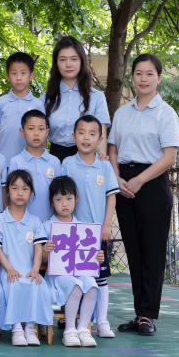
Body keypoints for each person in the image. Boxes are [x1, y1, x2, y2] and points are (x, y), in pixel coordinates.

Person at [108, 54, 179, 336]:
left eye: (149, 74)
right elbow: (112, 147)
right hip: (123, 183)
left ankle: (149, 315)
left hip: (150, 185)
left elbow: (169, 156)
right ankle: (139, 313)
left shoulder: (166, 113)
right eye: (138, 73)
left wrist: (137, 180)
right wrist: (117, 177)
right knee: (134, 251)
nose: (143, 78)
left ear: (158, 78)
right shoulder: (123, 112)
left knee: (152, 251)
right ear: (132, 77)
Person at [62, 114, 119, 338]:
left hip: (96, 234)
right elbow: (61, 195)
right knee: (76, 279)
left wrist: (107, 225)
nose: (86, 138)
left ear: (100, 138)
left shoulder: (104, 166)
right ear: (74, 136)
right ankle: (74, 321)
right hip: (72, 235)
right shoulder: (66, 163)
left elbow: (111, 198)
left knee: (100, 278)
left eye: (92, 133)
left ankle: (102, 321)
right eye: (82, 133)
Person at [0, 170, 53, 346]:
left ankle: (30, 328)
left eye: (25, 189)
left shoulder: (34, 221)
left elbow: (38, 248)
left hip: (29, 268)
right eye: (15, 188)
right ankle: (17, 328)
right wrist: (9, 268)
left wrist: (35, 269)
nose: (19, 193)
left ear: (31, 193)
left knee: (35, 283)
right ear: (7, 191)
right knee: (14, 282)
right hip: (7, 270)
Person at [42, 176, 104, 348]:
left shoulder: (84, 228)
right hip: (57, 276)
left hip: (80, 272)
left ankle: (83, 328)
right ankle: (69, 329)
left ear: (76, 199)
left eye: (69, 198)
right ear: (51, 201)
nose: (64, 204)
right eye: (59, 199)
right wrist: (45, 251)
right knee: (74, 284)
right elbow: (41, 259)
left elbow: (91, 258)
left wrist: (98, 257)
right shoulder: (47, 226)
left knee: (91, 284)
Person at [43, 36, 110, 162]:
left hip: (87, 159)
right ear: (56, 63)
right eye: (63, 59)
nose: (68, 64)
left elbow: (101, 137)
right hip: (54, 159)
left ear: (81, 62)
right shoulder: (45, 99)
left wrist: (101, 156)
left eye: (74, 59)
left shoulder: (97, 98)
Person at [4, 110, 63, 222]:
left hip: (50, 223)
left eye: (41, 129)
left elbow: (60, 194)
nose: (36, 133)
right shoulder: (16, 162)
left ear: (47, 132)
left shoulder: (55, 162)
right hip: (23, 224)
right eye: (31, 129)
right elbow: (11, 196)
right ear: (22, 132)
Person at [0, 52, 43, 164]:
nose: (19, 78)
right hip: (3, 161)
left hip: (29, 161)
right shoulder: (0, 102)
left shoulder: (37, 104)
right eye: (14, 73)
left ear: (31, 76)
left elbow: (43, 135)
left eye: (23, 73)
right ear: (8, 76)